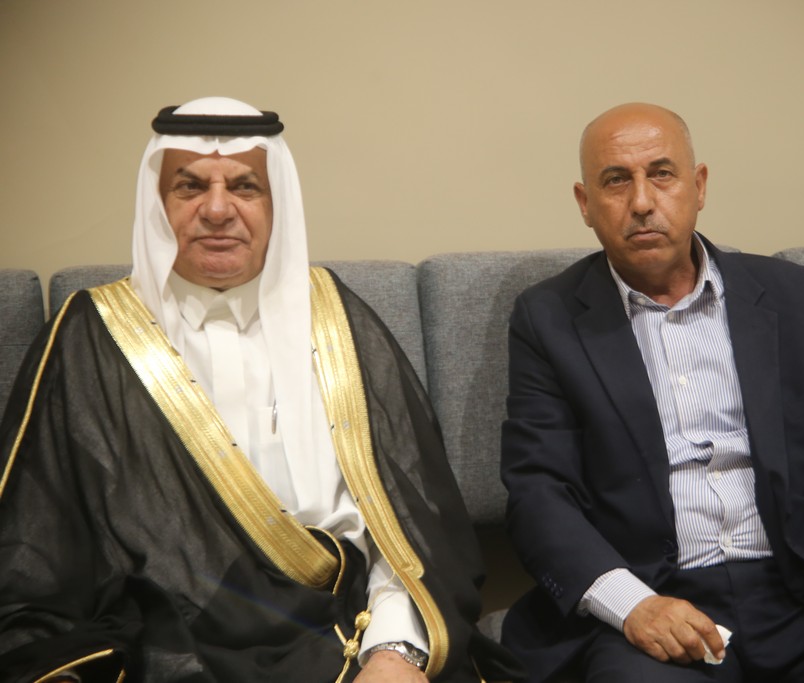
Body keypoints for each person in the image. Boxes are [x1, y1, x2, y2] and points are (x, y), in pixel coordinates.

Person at [0, 97, 521, 683]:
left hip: (345, 636)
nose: (217, 209)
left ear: (278, 205)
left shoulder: (335, 320)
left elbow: (415, 529)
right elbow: (34, 553)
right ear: (157, 204)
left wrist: (395, 651)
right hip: (166, 649)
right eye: (189, 186)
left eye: (245, 187)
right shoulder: (92, 337)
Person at [499, 102, 804, 682]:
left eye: (662, 174)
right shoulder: (548, 318)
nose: (642, 201)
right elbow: (538, 490)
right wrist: (634, 606)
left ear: (699, 186)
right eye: (616, 181)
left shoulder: (791, 296)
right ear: (585, 203)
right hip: (657, 601)